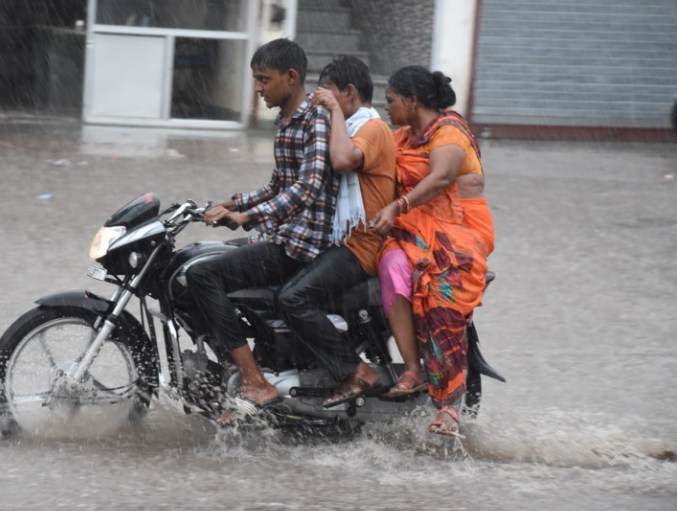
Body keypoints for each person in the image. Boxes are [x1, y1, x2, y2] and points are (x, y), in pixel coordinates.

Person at [185, 38, 339, 423]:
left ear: (290, 77)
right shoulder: (286, 121)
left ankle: (255, 381)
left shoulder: (314, 119)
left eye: (263, 79)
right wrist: (230, 203)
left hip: (303, 244)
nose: (257, 88)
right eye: (256, 79)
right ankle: (245, 362)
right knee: (207, 256)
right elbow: (277, 186)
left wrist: (249, 219)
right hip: (285, 235)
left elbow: (309, 186)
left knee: (202, 275)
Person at [369, 65, 492, 437]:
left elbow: (439, 178)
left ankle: (449, 406)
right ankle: (411, 367)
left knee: (440, 293)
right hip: (410, 232)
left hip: (457, 233)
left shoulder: (449, 131)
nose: (386, 107)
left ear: (412, 101)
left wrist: (396, 207)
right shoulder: (403, 137)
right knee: (390, 263)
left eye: (390, 100)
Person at [276, 55, 396, 408]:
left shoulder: (372, 128)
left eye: (327, 93)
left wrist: (334, 112)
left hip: (361, 248)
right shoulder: (351, 127)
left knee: (292, 297)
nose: (320, 101)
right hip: (341, 242)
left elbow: (343, 161)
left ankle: (354, 370)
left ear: (349, 92)